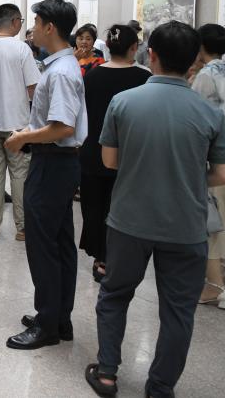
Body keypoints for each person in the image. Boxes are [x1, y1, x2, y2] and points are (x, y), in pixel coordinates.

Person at [85, 21, 225, 398]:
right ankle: (161, 387)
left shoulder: (124, 102)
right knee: (178, 311)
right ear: (194, 61)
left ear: (150, 55)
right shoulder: (209, 113)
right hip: (186, 226)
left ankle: (107, 374)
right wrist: (188, 176)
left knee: (115, 295)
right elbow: (223, 174)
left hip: (129, 221)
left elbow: (109, 161)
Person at [4, 0, 87, 350]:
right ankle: (58, 317)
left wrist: (24, 137)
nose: (32, 29)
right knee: (59, 243)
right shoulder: (60, 66)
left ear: (50, 27)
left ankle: (48, 323)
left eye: (36, 23)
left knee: (43, 246)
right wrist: (29, 131)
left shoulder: (62, 71)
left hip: (53, 163)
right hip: (57, 162)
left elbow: (63, 127)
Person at [79, 25, 149, 284]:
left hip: (93, 150)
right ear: (134, 48)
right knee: (121, 206)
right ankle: (116, 256)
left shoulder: (91, 76)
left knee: (94, 206)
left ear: (107, 46)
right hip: (131, 153)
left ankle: (100, 257)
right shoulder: (144, 78)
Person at [192, 24, 225, 310]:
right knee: (223, 219)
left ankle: (215, 287)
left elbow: (196, 116)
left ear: (201, 46)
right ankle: (221, 274)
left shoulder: (206, 76)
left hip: (215, 160)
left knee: (210, 223)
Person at [0, 3, 40, 240]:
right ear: (14, 21)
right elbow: (33, 87)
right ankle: (22, 228)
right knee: (20, 174)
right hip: (19, 124)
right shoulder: (21, 49)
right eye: (20, 21)